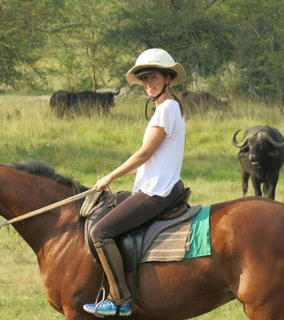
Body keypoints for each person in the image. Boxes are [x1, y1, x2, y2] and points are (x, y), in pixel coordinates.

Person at [83, 48, 187, 317]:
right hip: (154, 186)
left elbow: (144, 154)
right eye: (143, 79)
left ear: (167, 78)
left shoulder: (167, 109)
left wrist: (110, 176)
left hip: (156, 192)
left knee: (100, 233)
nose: (147, 84)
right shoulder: (165, 108)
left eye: (152, 77)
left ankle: (120, 299)